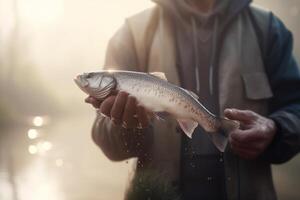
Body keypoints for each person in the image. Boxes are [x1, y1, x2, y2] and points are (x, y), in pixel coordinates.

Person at [85, 0, 300, 199]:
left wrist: (277, 129)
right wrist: (126, 127)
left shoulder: (268, 28)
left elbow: (296, 108)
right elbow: (104, 137)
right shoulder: (132, 33)